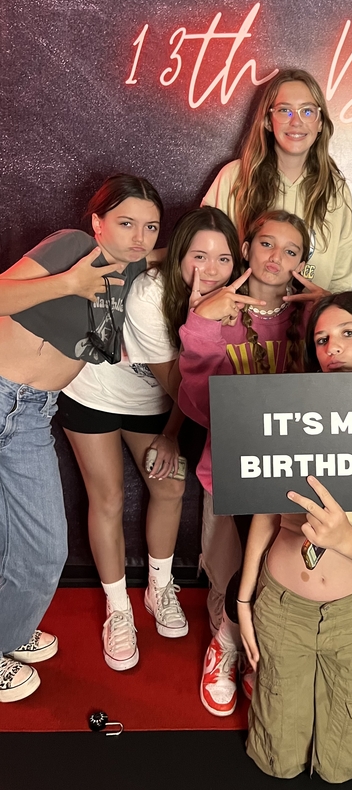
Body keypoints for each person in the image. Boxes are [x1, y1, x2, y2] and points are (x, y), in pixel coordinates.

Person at [235, 291, 352, 781]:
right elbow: (266, 516)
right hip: (281, 605)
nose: (332, 347)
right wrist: (244, 600)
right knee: (278, 756)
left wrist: (344, 537)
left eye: (347, 334)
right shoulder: (292, 413)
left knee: (341, 764)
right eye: (321, 339)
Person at [55, 206, 241, 671]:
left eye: (223, 259)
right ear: (178, 256)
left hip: (150, 402)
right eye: (199, 256)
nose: (211, 270)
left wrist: (172, 435)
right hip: (95, 391)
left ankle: (159, 589)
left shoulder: (234, 300)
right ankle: (118, 609)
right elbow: (183, 386)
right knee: (108, 497)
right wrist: (202, 321)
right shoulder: (150, 294)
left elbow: (190, 388)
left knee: (171, 485)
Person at [0, 174, 162, 702]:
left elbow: (182, 255)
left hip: (32, 414)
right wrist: (68, 284)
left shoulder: (133, 267)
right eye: (126, 222)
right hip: (1, 391)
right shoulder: (73, 247)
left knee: (41, 547)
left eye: (150, 227)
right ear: (97, 223)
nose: (138, 236)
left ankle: (8, 629)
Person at [178, 210, 326, 716]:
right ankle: (225, 643)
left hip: (291, 474)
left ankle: (253, 645)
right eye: (266, 243)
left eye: (290, 250)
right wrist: (202, 324)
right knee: (227, 565)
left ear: (302, 262)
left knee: (273, 571)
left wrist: (332, 310)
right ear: (246, 249)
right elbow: (197, 404)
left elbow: (343, 387)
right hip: (228, 468)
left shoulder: (310, 318)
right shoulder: (217, 311)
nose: (275, 257)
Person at [202, 68, 352, 292]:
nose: (296, 121)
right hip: (239, 311)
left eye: (307, 111)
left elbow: (341, 280)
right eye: (285, 110)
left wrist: (325, 304)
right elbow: (202, 253)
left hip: (312, 315)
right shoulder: (234, 178)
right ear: (267, 120)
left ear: (320, 123)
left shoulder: (335, 190)